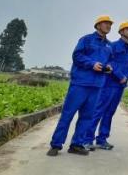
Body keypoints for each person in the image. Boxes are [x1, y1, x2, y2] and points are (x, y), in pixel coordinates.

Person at [47, 15, 115, 156]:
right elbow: (77, 56)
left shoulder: (109, 46)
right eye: (106, 23)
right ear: (98, 25)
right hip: (81, 83)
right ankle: (56, 145)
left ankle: (76, 145)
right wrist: (92, 64)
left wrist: (109, 67)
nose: (108, 26)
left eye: (110, 24)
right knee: (68, 114)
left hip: (96, 86)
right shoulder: (86, 40)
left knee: (87, 117)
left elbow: (110, 62)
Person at [85, 20, 128, 150]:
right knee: (99, 110)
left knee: (110, 113)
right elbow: (109, 62)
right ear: (121, 32)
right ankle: (87, 139)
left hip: (120, 86)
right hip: (109, 83)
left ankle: (102, 139)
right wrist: (120, 76)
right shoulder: (113, 46)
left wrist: (126, 78)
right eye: (127, 29)